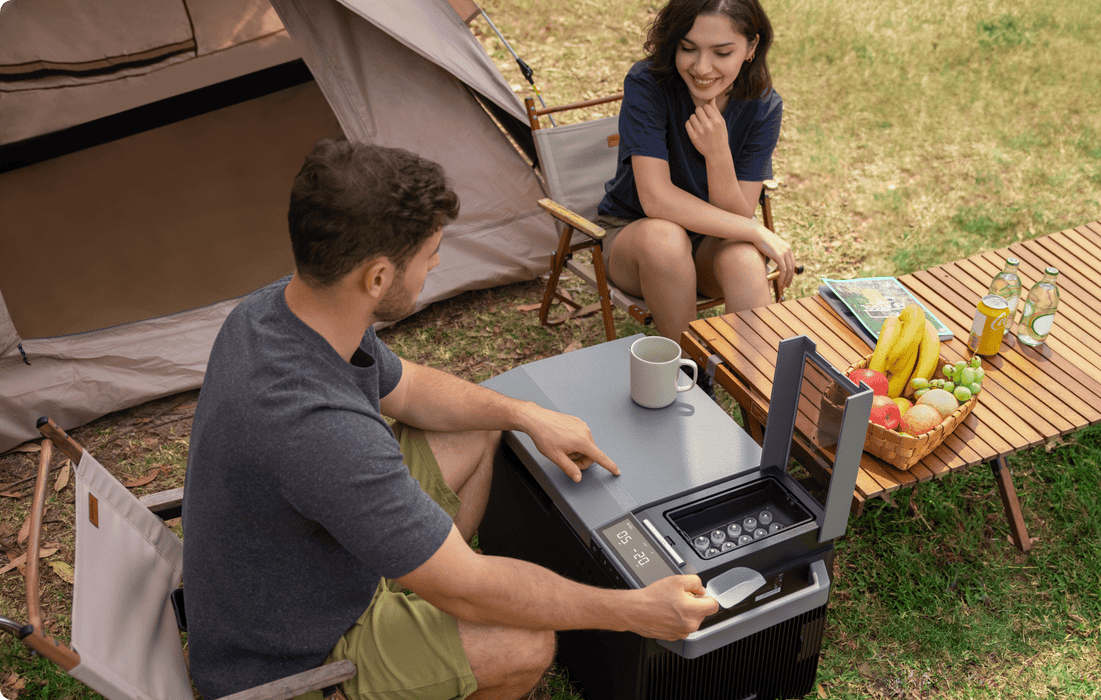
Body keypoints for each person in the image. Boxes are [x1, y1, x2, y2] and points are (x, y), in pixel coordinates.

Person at [182, 139, 718, 700]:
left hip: (314, 567)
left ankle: (424, 571)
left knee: (480, 423)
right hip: (292, 657)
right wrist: (635, 610)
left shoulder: (278, 311)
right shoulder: (319, 429)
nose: (436, 263)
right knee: (525, 645)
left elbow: (409, 388)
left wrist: (524, 413)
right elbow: (470, 590)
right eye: (430, 252)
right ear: (378, 277)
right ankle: (424, 595)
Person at [596, 0, 797, 346]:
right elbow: (656, 199)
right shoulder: (648, 86)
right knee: (667, 238)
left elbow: (735, 216)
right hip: (637, 240)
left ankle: (758, 388)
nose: (702, 67)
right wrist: (753, 228)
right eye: (688, 48)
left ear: (751, 48)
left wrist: (718, 153)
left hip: (709, 243)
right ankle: (691, 372)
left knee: (744, 256)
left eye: (722, 52)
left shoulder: (763, 106)